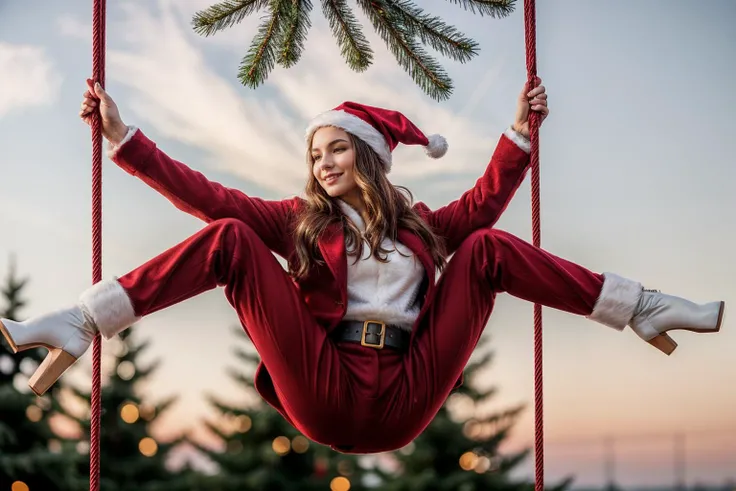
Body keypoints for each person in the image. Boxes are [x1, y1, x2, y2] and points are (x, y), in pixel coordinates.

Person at [0, 78, 724, 455]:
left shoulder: (424, 230)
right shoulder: (300, 223)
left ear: (369, 155)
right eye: (316, 154)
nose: (323, 162)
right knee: (228, 235)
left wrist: (518, 133)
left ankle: (640, 306)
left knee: (485, 250)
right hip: (325, 384)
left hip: (407, 391)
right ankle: (81, 320)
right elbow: (205, 194)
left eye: (336, 149)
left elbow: (485, 202)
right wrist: (124, 137)